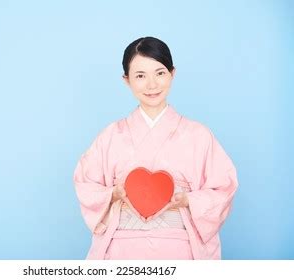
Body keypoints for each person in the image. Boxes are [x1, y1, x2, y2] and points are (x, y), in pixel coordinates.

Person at [73, 36, 238, 260]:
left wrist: (187, 199)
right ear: (126, 80)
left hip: (181, 250)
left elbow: (223, 188)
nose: (152, 84)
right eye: (140, 76)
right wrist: (115, 193)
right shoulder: (111, 136)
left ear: (173, 73)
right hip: (121, 251)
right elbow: (86, 185)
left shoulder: (199, 136)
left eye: (160, 73)